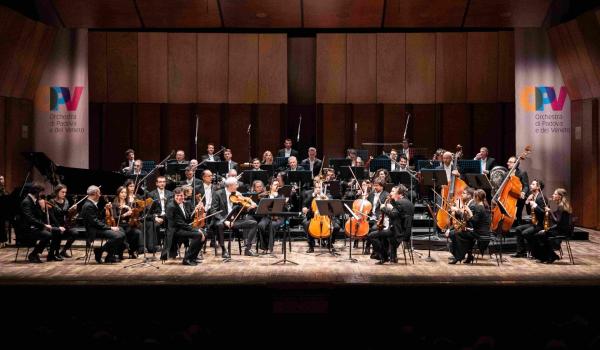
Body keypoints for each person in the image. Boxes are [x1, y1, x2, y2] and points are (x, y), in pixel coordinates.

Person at [211, 177, 259, 258]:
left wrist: (249, 206)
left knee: (253, 223)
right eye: (236, 184)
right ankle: (224, 250)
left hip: (234, 220)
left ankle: (248, 249)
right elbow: (213, 211)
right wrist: (224, 221)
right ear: (230, 185)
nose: (237, 186)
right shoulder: (218, 193)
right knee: (220, 225)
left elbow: (243, 208)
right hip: (222, 220)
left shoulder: (237, 194)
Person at [367, 185, 413, 264]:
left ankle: (384, 256)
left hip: (396, 232)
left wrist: (383, 208)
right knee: (382, 234)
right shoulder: (409, 203)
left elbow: (393, 215)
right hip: (406, 231)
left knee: (371, 235)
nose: (392, 193)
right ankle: (391, 257)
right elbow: (399, 215)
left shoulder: (399, 202)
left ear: (400, 194)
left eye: (394, 192)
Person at [80, 186, 125, 264]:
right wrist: (110, 227)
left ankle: (109, 256)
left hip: (97, 228)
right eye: (99, 193)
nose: (100, 195)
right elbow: (95, 222)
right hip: (94, 230)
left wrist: (105, 209)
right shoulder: (88, 206)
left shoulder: (91, 204)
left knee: (121, 231)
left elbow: (98, 217)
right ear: (94, 193)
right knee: (118, 236)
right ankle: (100, 251)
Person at [162, 187, 206, 266]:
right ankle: (187, 259)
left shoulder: (183, 203)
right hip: (175, 230)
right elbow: (180, 223)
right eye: (177, 195)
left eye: (181, 195)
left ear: (184, 195)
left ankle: (193, 257)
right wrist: (196, 230)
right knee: (198, 235)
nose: (179, 197)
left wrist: (195, 211)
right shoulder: (171, 206)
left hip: (182, 228)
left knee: (205, 233)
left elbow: (187, 218)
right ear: (174, 196)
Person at [20, 184, 63, 263]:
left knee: (56, 231)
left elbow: (39, 216)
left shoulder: (34, 201)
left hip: (35, 226)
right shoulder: (27, 201)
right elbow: (30, 219)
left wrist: (43, 209)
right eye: (40, 193)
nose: (41, 195)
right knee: (47, 235)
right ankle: (33, 254)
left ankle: (51, 255)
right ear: (36, 192)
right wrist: (44, 225)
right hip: (28, 229)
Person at [530, 188, 572, 263]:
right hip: (562, 229)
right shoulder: (562, 205)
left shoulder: (561, 206)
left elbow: (557, 221)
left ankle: (550, 256)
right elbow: (558, 220)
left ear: (560, 196)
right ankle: (547, 257)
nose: (553, 195)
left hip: (561, 231)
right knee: (540, 235)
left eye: (555, 194)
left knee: (539, 235)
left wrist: (550, 212)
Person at [449, 189, 491, 264]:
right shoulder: (483, 206)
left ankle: (458, 257)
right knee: (460, 233)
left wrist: (469, 211)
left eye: (474, 196)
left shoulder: (479, 207)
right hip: (481, 231)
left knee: (457, 234)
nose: (474, 198)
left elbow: (474, 222)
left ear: (477, 197)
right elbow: (475, 221)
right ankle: (465, 255)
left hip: (480, 233)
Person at [301, 180, 339, 253]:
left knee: (336, 227)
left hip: (326, 217)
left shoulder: (327, 194)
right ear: (314, 188)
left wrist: (325, 198)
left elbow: (331, 203)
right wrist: (313, 196)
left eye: (320, 187)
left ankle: (330, 243)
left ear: (323, 188)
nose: (318, 189)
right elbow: (305, 204)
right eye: (317, 187)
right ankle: (311, 246)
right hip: (313, 216)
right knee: (306, 224)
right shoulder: (310, 194)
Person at [511, 179, 546, 258]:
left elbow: (544, 213)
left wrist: (535, 206)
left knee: (525, 233)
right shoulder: (533, 197)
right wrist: (527, 202)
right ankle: (521, 252)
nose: (530, 185)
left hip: (540, 225)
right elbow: (529, 212)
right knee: (518, 229)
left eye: (533, 184)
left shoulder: (541, 198)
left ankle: (535, 251)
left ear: (538, 187)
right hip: (534, 223)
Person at [48, 185, 80, 258]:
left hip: (65, 225)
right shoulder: (51, 201)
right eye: (62, 192)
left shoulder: (66, 201)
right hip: (55, 224)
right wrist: (59, 227)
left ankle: (64, 251)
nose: (64, 194)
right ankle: (55, 253)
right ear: (57, 192)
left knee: (75, 232)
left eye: (65, 192)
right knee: (58, 232)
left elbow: (67, 215)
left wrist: (73, 210)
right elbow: (52, 216)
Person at [146, 176, 172, 254]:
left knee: (172, 225)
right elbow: (149, 210)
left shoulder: (170, 194)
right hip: (158, 216)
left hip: (167, 216)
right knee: (156, 225)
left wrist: (167, 201)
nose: (162, 183)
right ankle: (156, 245)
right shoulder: (151, 194)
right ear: (156, 183)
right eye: (160, 182)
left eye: (164, 182)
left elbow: (172, 207)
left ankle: (170, 245)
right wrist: (155, 217)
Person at [506, 156, 529, 226]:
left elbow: (526, 186)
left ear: (515, 164)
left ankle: (519, 225)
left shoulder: (522, 173)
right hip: (509, 196)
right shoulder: (506, 173)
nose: (508, 163)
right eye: (508, 162)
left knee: (518, 214)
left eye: (510, 162)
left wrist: (523, 192)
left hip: (518, 196)